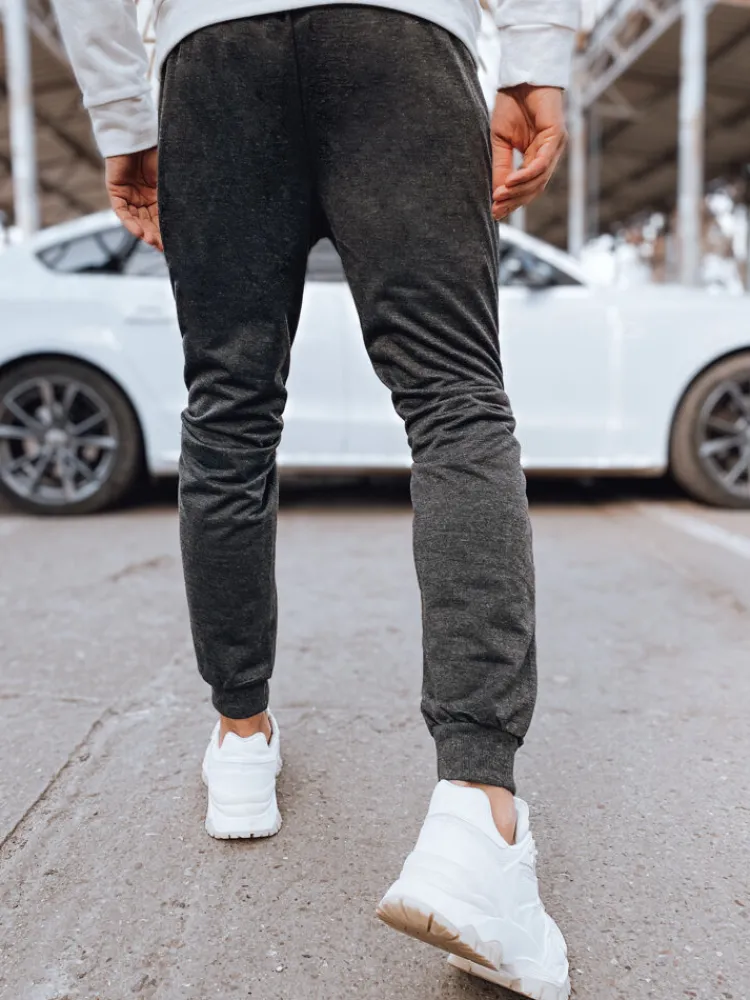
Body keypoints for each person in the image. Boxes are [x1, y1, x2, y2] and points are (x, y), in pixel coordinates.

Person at [51, 1, 578, 996]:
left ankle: (240, 741)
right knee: (454, 400)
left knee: (229, 411)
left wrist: (124, 115)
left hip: (214, 50)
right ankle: (476, 816)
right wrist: (535, 59)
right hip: (401, 37)